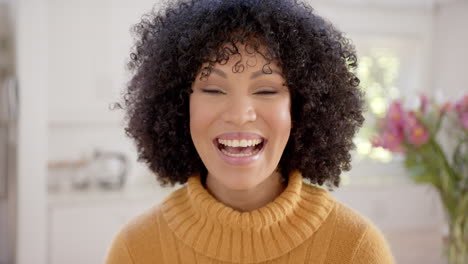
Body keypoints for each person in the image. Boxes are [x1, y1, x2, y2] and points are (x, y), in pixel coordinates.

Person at [105, 0, 395, 263]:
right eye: (214, 89)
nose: (239, 115)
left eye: (267, 90)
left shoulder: (356, 249)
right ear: (181, 107)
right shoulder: (136, 250)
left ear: (299, 109)